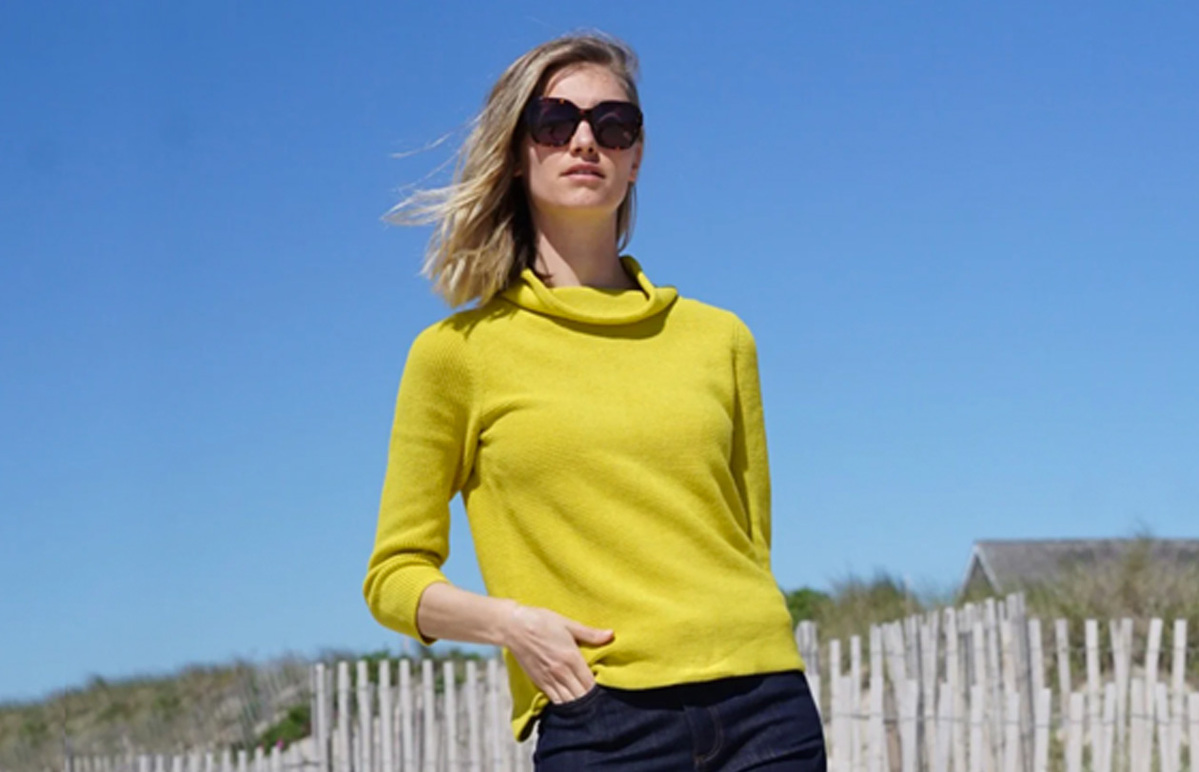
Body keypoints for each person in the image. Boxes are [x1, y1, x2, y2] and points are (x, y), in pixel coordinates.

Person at [363, 31, 827, 771]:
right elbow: (394, 577)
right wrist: (513, 625)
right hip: (601, 717)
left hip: (764, 707)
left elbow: (748, 541)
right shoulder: (456, 355)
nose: (586, 140)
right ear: (518, 150)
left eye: (614, 125)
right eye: (556, 121)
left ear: (637, 155)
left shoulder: (720, 339)